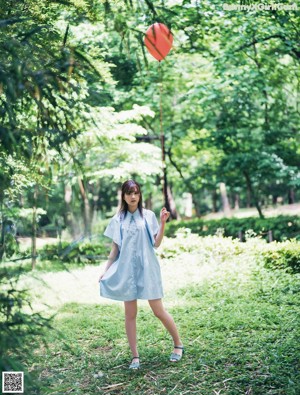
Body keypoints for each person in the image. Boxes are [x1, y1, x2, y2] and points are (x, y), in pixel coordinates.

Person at [98, 179, 184, 369]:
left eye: (136, 192)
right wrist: (105, 271)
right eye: (129, 193)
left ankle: (178, 344)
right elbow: (115, 249)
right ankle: (135, 357)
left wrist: (162, 224)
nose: (133, 196)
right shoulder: (117, 219)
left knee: (158, 310)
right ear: (124, 195)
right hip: (127, 270)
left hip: (148, 268)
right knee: (130, 313)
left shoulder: (148, 216)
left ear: (140, 194)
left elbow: (156, 243)